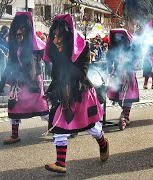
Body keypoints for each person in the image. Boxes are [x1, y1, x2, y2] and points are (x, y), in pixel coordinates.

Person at [43, 14, 109, 174]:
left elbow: (81, 73)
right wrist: (51, 89)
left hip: (81, 94)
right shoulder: (57, 51)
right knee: (59, 127)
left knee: (92, 127)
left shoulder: (84, 47)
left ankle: (103, 143)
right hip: (63, 94)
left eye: (60, 36)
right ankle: (60, 163)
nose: (55, 40)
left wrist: (65, 60)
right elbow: (56, 74)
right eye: (54, 35)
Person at [0, 11, 49, 144]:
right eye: (17, 29)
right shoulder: (14, 47)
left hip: (33, 82)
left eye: (22, 29)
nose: (18, 32)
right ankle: (15, 136)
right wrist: (3, 80)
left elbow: (48, 60)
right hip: (17, 83)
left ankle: (58, 129)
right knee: (13, 107)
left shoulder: (36, 46)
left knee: (42, 108)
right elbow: (10, 63)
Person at [106, 28, 140, 129]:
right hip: (116, 73)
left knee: (128, 96)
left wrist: (128, 67)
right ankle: (124, 113)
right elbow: (109, 59)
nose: (118, 38)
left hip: (128, 74)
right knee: (117, 96)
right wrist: (109, 70)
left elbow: (136, 60)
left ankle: (126, 115)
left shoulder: (131, 48)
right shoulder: (112, 48)